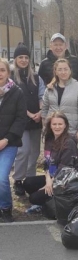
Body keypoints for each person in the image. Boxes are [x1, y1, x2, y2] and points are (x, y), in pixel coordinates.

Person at [23, 111, 78, 211]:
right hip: (52, 176)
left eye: (60, 124)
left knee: (34, 198)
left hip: (65, 181)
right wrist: (48, 179)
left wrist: (51, 183)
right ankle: (47, 199)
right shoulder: (49, 139)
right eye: (54, 124)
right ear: (50, 125)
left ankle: (53, 201)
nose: (57, 127)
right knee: (27, 182)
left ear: (65, 125)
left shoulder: (69, 143)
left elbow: (64, 169)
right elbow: (47, 162)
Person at [11, 43, 46, 197]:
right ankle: (18, 179)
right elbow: (13, 101)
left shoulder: (37, 77)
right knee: (23, 151)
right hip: (20, 121)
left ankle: (30, 179)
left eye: (26, 57)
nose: (24, 60)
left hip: (36, 121)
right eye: (20, 57)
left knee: (34, 151)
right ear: (15, 59)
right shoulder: (11, 78)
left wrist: (40, 112)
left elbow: (42, 96)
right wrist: (30, 114)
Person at [0, 58, 27, 222]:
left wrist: (6, 139)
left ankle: (5, 206)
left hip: (9, 143)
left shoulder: (17, 92)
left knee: (2, 178)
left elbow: (20, 119)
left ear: (8, 73)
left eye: (2, 70)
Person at [41, 58, 78, 140]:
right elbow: (44, 109)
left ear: (70, 70)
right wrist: (45, 126)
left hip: (70, 130)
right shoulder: (50, 88)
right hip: (52, 130)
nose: (63, 72)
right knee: (51, 153)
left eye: (65, 69)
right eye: (60, 70)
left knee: (68, 152)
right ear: (55, 71)